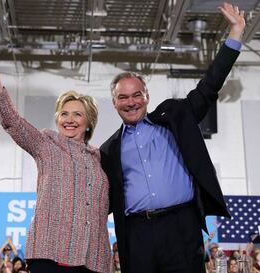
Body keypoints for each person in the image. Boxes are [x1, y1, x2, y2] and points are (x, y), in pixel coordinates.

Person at [99, 2, 245, 273]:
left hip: (182, 227)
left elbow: (209, 86)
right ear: (114, 103)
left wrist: (235, 34)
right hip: (137, 234)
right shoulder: (108, 150)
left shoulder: (174, 117)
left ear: (147, 97)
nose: (131, 102)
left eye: (136, 95)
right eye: (123, 97)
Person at [0, 46, 111, 273]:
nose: (69, 119)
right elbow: (12, 122)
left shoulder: (100, 160)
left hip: (94, 259)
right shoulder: (46, 145)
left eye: (77, 114)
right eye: (64, 113)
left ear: (89, 122)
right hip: (51, 256)